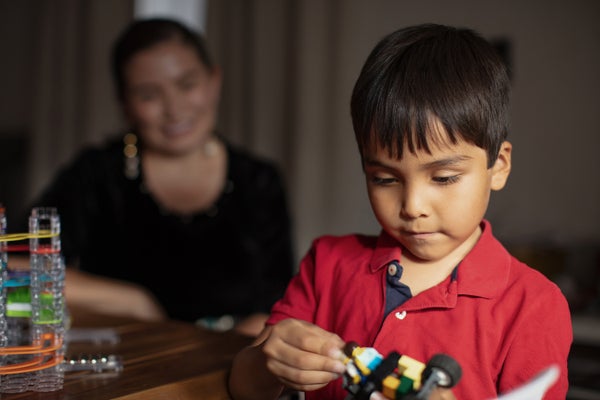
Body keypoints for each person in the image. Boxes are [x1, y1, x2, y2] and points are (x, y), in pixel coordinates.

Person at [227, 23, 572, 399]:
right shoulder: (327, 264)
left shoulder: (533, 305)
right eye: (385, 179)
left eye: (442, 178)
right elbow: (245, 388)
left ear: (499, 166)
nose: (412, 207)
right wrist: (269, 363)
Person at [21, 18, 295, 337]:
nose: (174, 109)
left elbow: (278, 310)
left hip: (235, 369)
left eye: (187, 84)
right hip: (129, 370)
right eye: (149, 95)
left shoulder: (259, 181)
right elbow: (15, 268)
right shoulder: (97, 174)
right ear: (125, 105)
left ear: (214, 82)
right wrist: (133, 301)